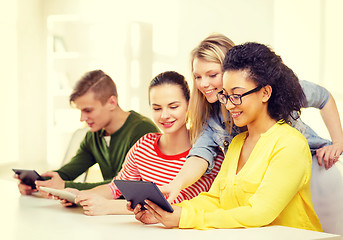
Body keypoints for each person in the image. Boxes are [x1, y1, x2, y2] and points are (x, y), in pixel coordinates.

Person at [130, 42, 323, 231]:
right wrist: (166, 211)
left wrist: (185, 218)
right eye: (226, 96)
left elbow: (259, 213)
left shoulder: (290, 144)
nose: (229, 106)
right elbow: (215, 199)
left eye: (236, 95)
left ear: (265, 93)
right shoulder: (237, 143)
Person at [162, 33, 343, 203]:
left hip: (319, 167)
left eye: (212, 75)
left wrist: (338, 142)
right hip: (275, 183)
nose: (203, 84)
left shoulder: (275, 90)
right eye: (197, 77)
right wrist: (176, 184)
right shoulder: (214, 119)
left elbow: (324, 97)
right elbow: (200, 155)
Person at [58, 71, 224, 216]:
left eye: (173, 106)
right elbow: (116, 188)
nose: (164, 115)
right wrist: (80, 195)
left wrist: (109, 207)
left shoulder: (207, 157)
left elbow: (174, 204)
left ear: (189, 105)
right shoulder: (144, 145)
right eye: (157, 108)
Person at [16, 69, 159, 195]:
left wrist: (66, 186)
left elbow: (126, 186)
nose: (82, 118)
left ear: (111, 103)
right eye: (80, 110)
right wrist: (36, 184)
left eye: (88, 110)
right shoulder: (94, 135)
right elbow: (67, 173)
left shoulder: (143, 131)